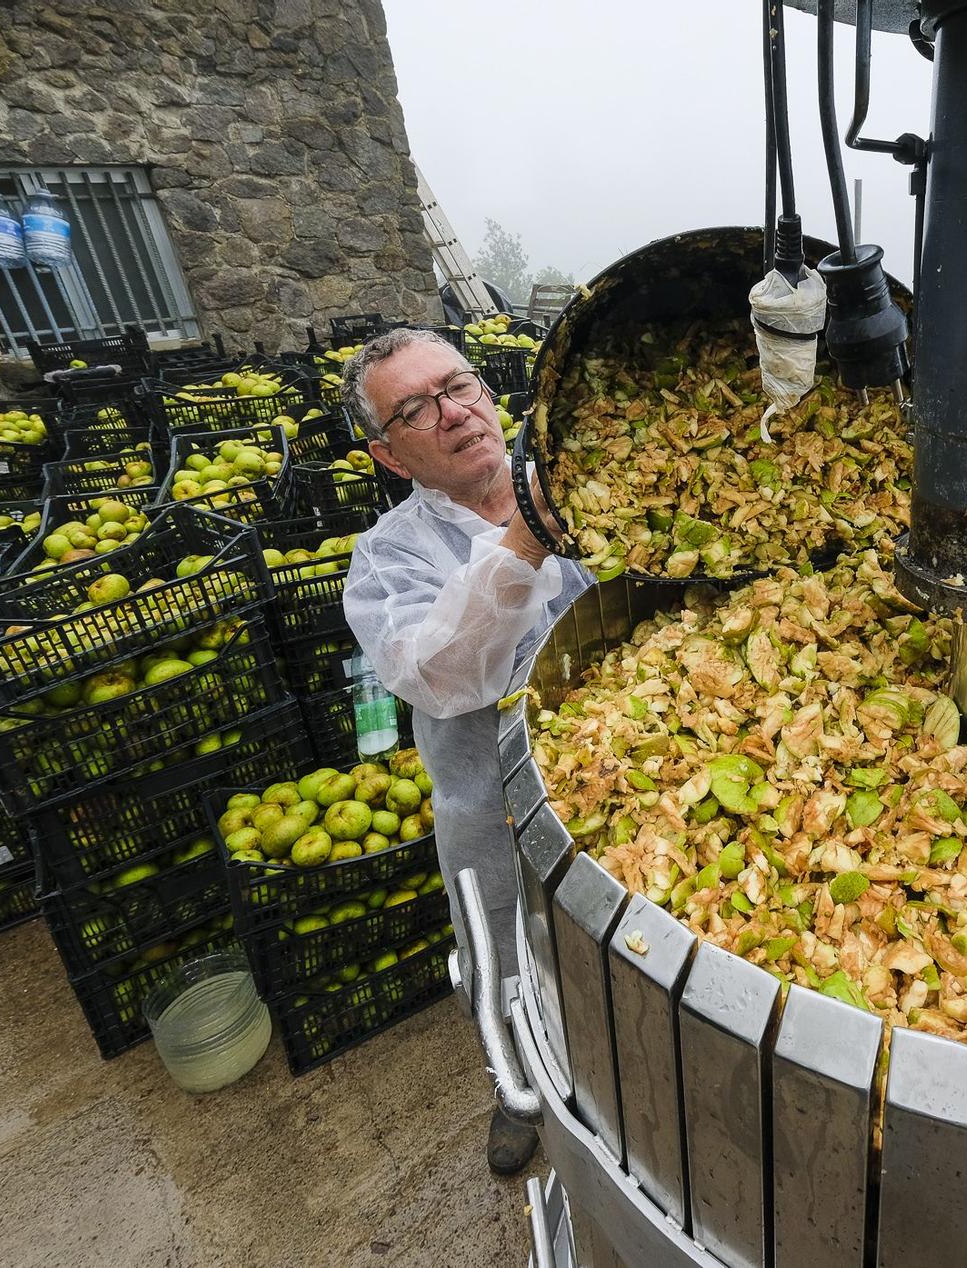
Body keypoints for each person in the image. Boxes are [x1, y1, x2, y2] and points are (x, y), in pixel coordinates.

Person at [339, 328, 592, 1174]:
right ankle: (514, 1088)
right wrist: (526, 538)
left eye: (461, 385)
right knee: (500, 953)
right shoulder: (387, 560)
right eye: (417, 408)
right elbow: (443, 674)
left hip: (615, 789)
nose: (455, 413)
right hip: (494, 811)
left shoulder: (586, 484)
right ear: (390, 456)